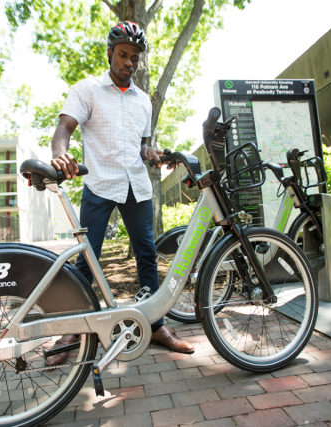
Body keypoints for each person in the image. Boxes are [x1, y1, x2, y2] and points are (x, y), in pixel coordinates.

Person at [47, 21, 194, 366]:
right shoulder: (87, 90)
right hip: (99, 184)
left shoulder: (144, 101)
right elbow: (63, 128)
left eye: (135, 57)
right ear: (110, 53)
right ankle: (73, 331)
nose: (129, 62)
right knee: (88, 258)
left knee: (146, 254)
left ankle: (156, 326)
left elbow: (144, 146)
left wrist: (153, 155)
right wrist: (59, 152)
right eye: (123, 54)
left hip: (136, 187)